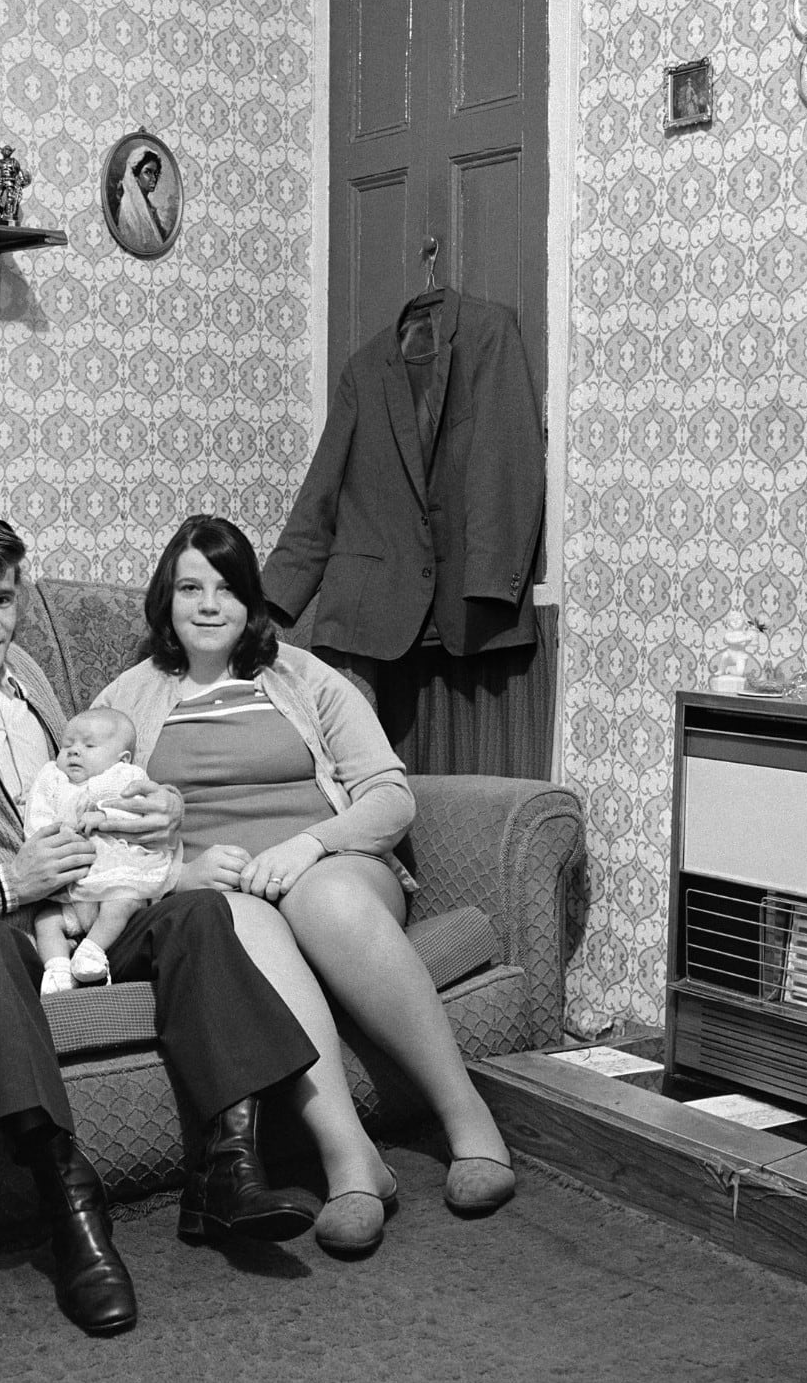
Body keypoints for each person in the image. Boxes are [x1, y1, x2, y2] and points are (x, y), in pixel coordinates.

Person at [0, 515, 323, 1338]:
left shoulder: (24, 677)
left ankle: (229, 1168)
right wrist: (1, 882)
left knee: (198, 910)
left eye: (3, 599)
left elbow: (84, 787)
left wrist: (158, 808)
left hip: (64, 913)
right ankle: (71, 1205)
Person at [97, 514, 518, 1260]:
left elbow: (389, 796)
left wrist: (307, 845)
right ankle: (353, 1163)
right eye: (190, 587)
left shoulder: (303, 675)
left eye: (227, 589)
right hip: (222, 891)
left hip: (335, 868)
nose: (207, 605)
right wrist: (180, 874)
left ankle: (468, 1121)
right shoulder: (127, 700)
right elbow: (97, 828)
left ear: (251, 601)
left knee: (321, 898)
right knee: (232, 921)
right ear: (165, 599)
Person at [24, 707, 175, 994]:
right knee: (46, 920)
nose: (74, 752)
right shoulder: (53, 779)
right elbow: (37, 816)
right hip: (70, 887)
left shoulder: (124, 777)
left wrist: (104, 818)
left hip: (113, 875)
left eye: (89, 745)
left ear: (123, 758)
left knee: (125, 902)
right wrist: (49, 833)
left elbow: (139, 815)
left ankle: (91, 951)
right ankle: (57, 970)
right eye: (67, 745)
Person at [109, 147, 173, 255]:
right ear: (136, 175)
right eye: (148, 172)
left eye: (156, 173)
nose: (154, 178)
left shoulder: (150, 207)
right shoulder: (128, 208)